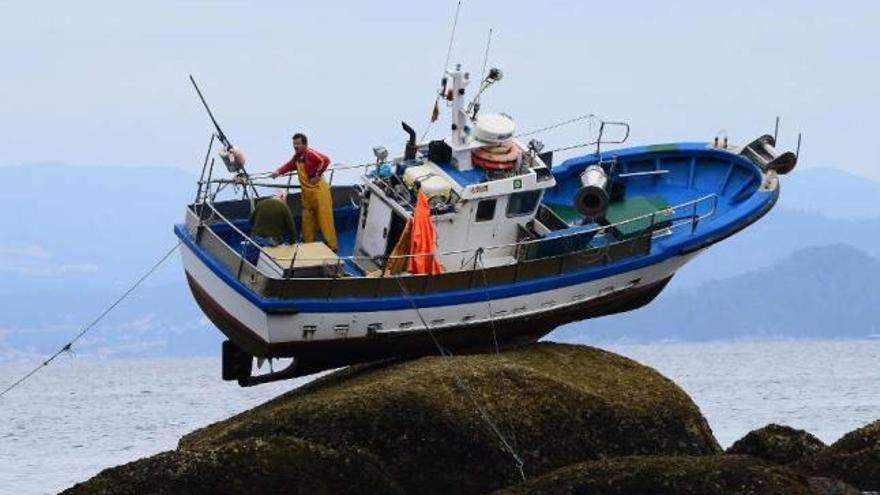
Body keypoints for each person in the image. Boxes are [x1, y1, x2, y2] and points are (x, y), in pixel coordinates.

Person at [271, 133, 338, 252]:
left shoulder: (310, 153)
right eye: (294, 144)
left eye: (298, 144)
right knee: (307, 220)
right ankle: (308, 245)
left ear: (305, 144)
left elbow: (325, 160)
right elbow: (290, 165)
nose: (295, 146)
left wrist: (317, 175)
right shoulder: (297, 157)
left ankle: (332, 246)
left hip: (318, 191)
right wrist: (278, 172)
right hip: (307, 193)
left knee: (325, 219)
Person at [245, 190, 297, 264]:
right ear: (282, 197)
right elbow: (292, 229)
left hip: (255, 239)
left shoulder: (261, 204)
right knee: (270, 264)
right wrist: (293, 243)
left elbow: (251, 221)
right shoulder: (284, 207)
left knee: (249, 263)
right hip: (270, 242)